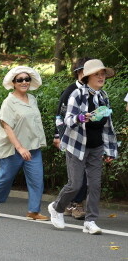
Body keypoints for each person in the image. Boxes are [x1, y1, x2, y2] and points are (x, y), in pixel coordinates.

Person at [48, 59, 117, 235]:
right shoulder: (76, 94)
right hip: (77, 145)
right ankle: (57, 208)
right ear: (87, 77)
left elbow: (108, 126)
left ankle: (90, 220)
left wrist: (110, 150)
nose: (101, 77)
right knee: (76, 184)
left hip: (96, 147)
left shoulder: (103, 96)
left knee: (94, 185)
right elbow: (67, 119)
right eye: (97, 74)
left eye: (103, 74)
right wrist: (80, 118)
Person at [0, 66, 48, 221]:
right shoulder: (9, 102)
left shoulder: (32, 99)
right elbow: (6, 126)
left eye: (27, 79)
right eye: (20, 80)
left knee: (37, 179)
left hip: (32, 146)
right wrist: (20, 148)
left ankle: (33, 211)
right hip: (14, 147)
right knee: (5, 177)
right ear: (13, 83)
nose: (24, 82)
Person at [53, 57, 92, 220]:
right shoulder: (70, 91)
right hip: (72, 139)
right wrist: (58, 136)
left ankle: (73, 202)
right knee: (77, 176)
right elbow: (60, 116)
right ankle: (73, 204)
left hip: (90, 139)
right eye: (86, 71)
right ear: (78, 73)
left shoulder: (94, 92)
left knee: (86, 175)